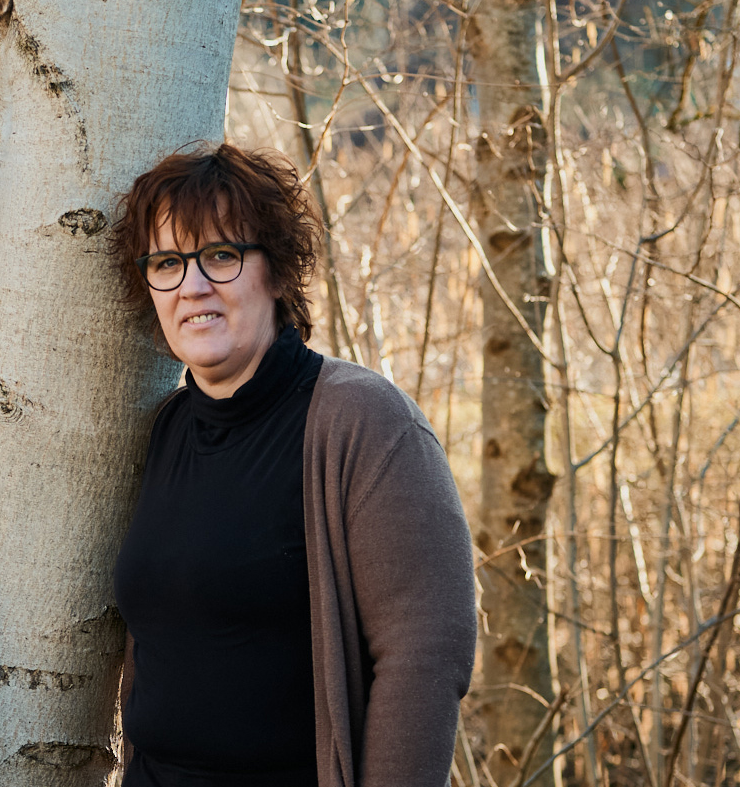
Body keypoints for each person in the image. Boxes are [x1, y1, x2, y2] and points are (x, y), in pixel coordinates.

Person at [109, 143, 476, 787]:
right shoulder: (166, 429)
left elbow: (426, 651)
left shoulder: (363, 422)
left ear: (275, 271)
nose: (193, 285)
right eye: (167, 262)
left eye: (221, 255)